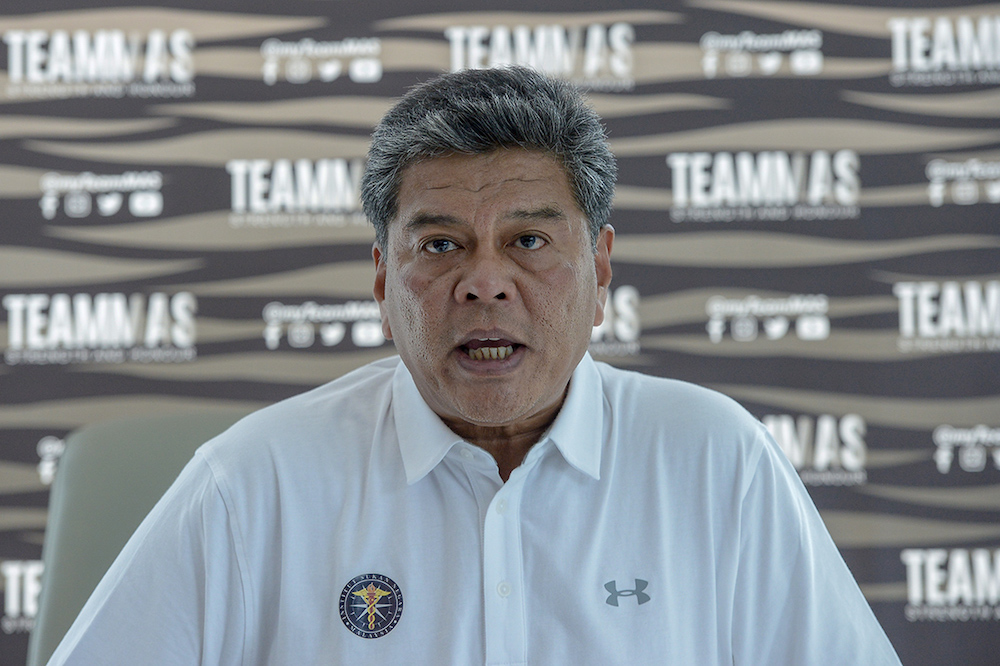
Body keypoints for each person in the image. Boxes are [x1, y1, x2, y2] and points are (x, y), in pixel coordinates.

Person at [47, 66, 901, 664]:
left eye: (528, 241)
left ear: (600, 270)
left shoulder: (716, 460)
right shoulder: (253, 481)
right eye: (440, 245)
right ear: (382, 281)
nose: (484, 282)